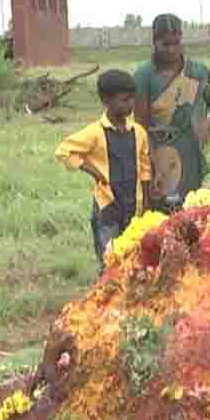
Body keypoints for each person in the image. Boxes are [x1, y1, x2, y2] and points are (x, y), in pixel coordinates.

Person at [55, 69, 153, 270]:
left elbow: (144, 167)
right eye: (124, 100)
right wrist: (93, 171)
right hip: (107, 206)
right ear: (106, 100)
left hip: (133, 205)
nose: (130, 105)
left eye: (132, 99)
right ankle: (107, 295)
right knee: (109, 258)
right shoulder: (95, 133)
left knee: (133, 255)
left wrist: (147, 200)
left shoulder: (138, 132)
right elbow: (64, 151)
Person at [133, 13, 210, 202]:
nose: (172, 50)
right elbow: (140, 126)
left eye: (176, 43)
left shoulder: (197, 71)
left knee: (191, 204)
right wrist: (153, 162)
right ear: (154, 42)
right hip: (158, 149)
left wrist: (208, 124)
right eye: (165, 44)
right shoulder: (144, 76)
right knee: (162, 206)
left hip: (189, 148)